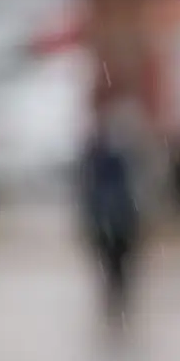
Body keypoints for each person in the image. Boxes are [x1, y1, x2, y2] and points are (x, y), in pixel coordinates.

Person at [78, 113, 142, 325]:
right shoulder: (116, 159)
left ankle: (115, 305)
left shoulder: (101, 160)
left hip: (113, 223)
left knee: (114, 267)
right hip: (115, 223)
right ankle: (117, 305)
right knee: (117, 267)